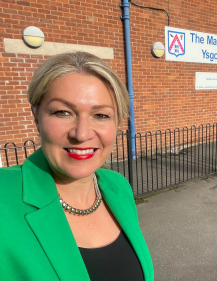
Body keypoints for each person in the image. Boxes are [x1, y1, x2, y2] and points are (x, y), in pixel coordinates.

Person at [0, 52, 154, 281]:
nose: (81, 134)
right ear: (37, 117)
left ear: (117, 123)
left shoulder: (118, 187)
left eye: (100, 115)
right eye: (62, 112)